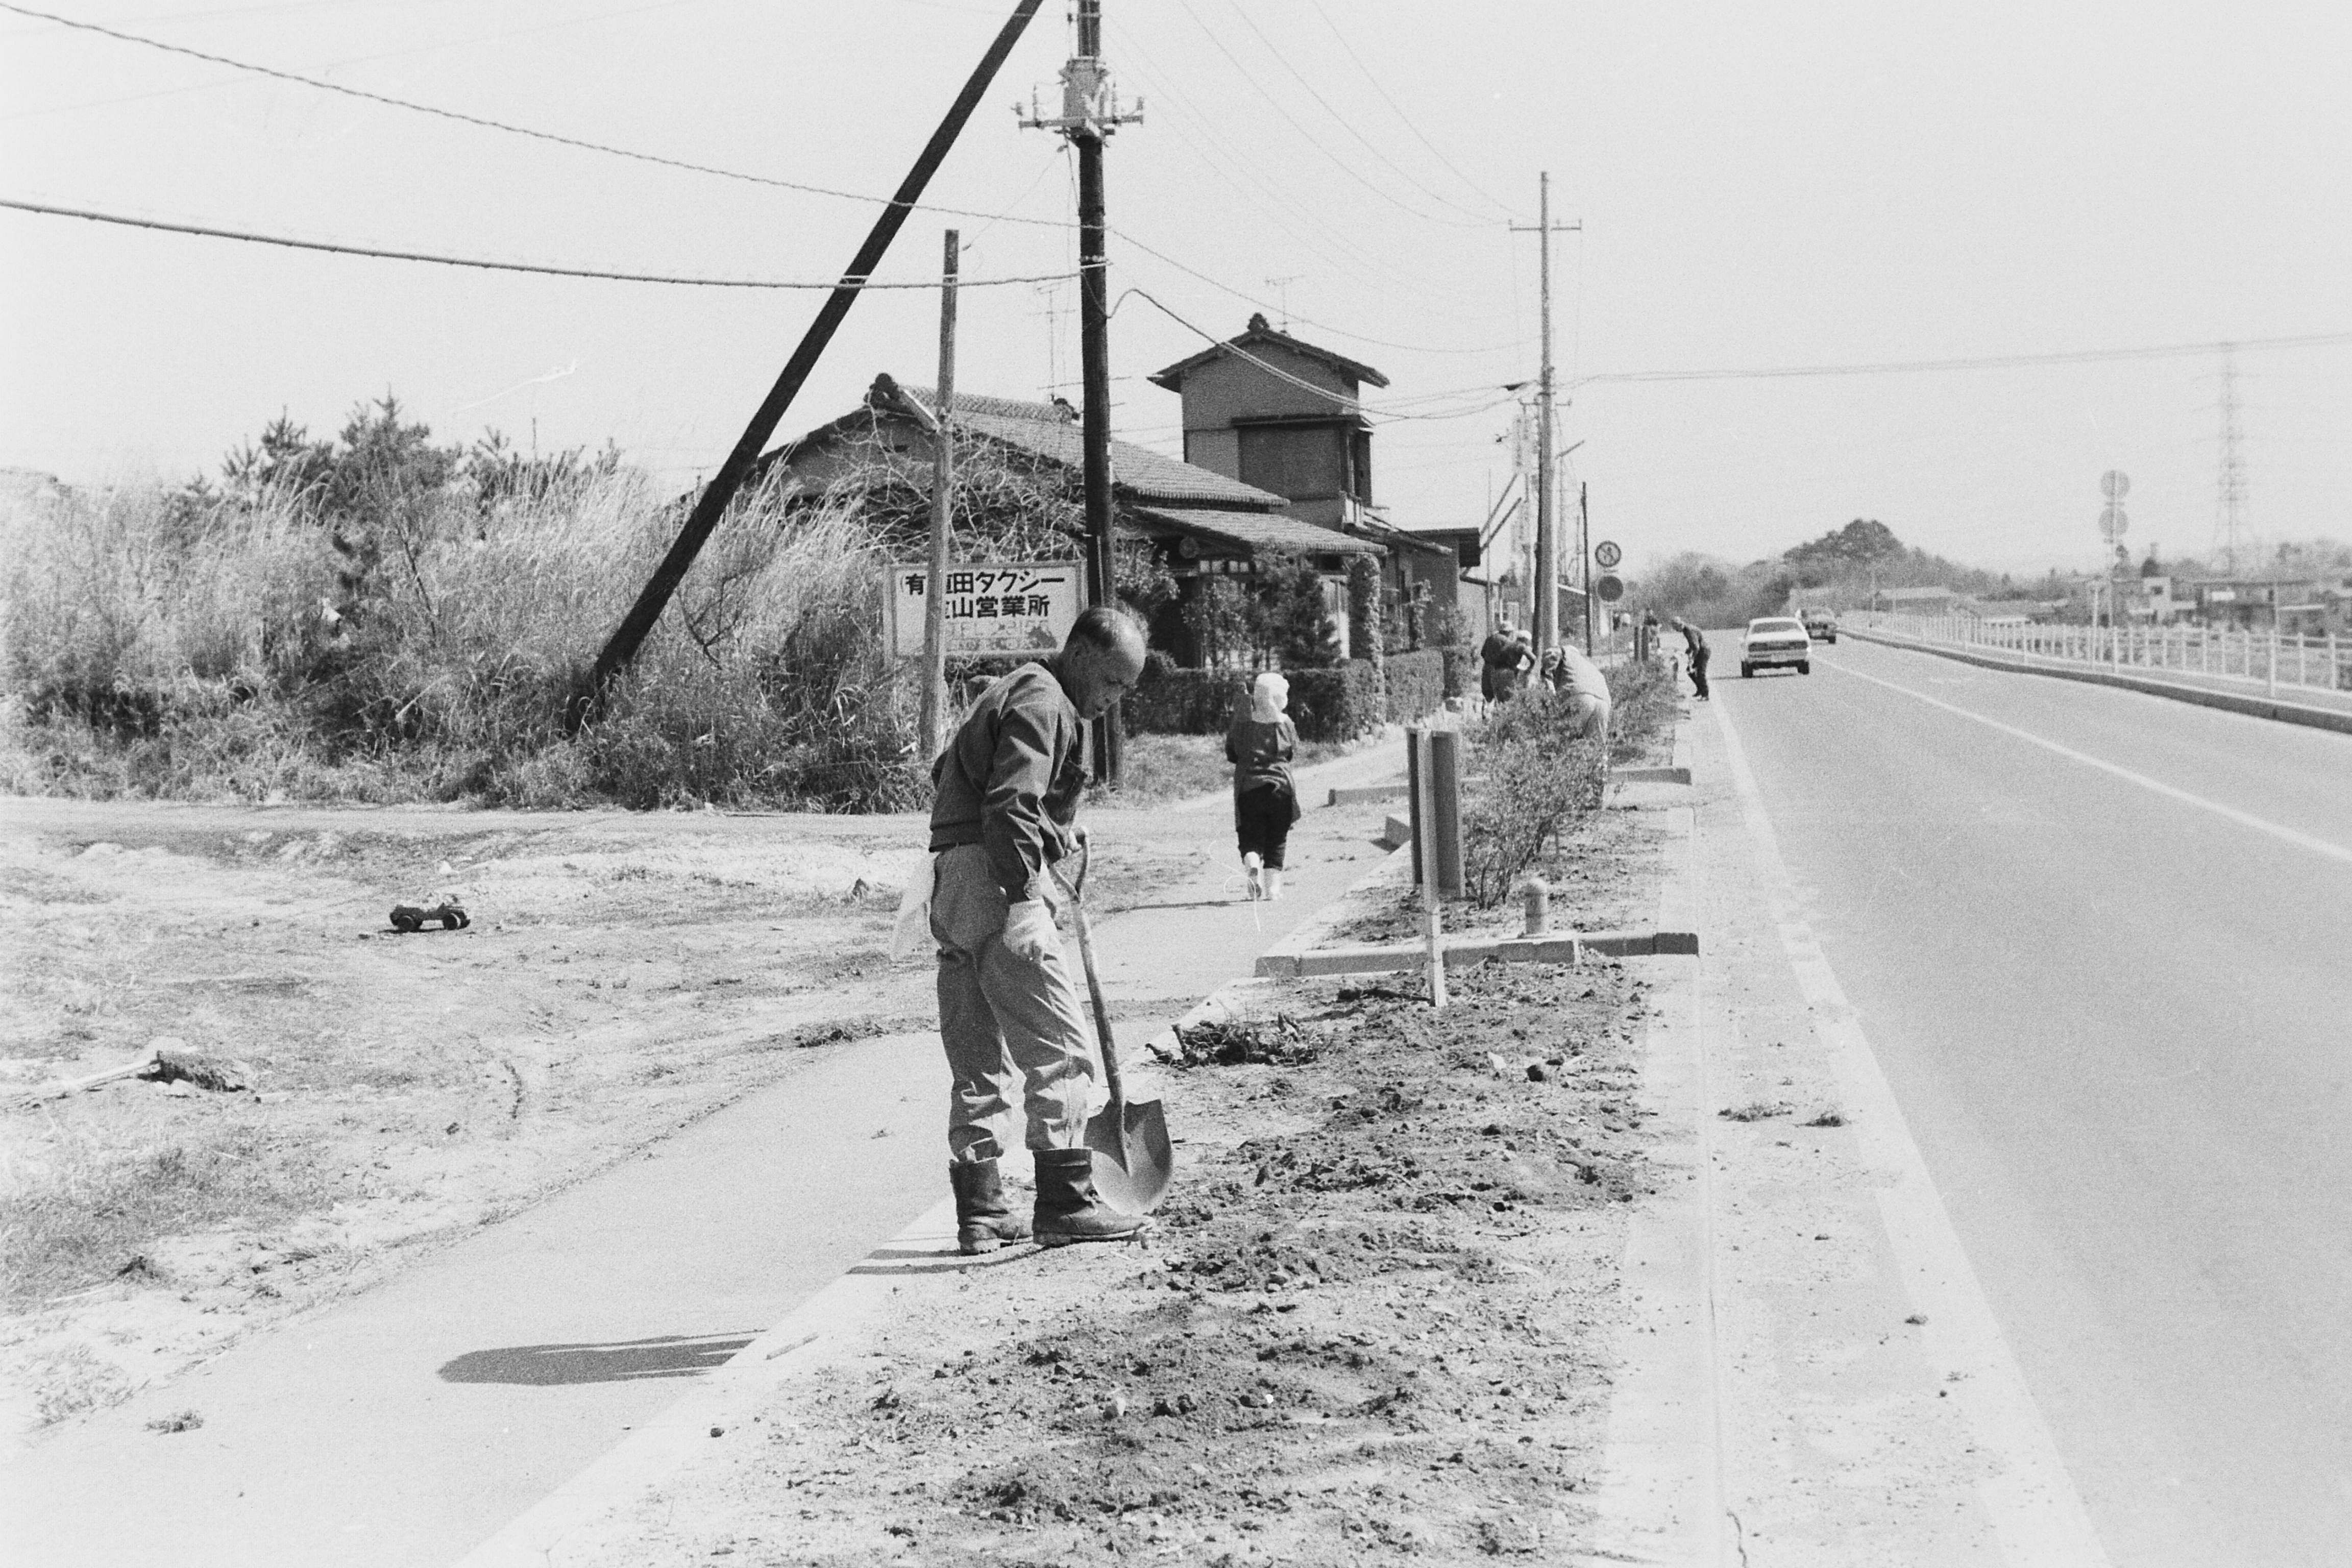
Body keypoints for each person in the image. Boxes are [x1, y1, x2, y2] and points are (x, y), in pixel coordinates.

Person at [926, 606, 1149, 1253]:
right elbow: (1012, 803)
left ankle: (983, 1211)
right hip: (999, 887)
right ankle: (1065, 1200)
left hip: (954, 881)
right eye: (1112, 684)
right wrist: (1025, 896)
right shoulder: (1046, 699)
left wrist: (1054, 833)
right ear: (1080, 656)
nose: (1113, 702)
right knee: (1060, 1046)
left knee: (978, 1058)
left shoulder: (1012, 689)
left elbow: (954, 776)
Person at [1226, 670, 1301, 900]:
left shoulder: (1244, 724)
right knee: (1277, 839)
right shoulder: (1286, 723)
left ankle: (1252, 864)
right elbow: (1292, 751)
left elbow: (1232, 753)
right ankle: (1273, 889)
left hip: (1250, 789)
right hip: (1282, 790)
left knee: (1250, 838)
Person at [1553, 641, 1613, 740]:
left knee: (1564, 741)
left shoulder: (1565, 657)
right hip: (1603, 704)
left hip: (1580, 698)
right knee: (1596, 748)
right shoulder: (1590, 666)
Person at [1479, 625, 1535, 702]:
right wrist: (1529, 670)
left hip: (1494, 671)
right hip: (1507, 673)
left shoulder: (1492, 639)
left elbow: (1482, 653)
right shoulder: (1517, 645)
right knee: (1509, 699)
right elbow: (1533, 658)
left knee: (1494, 697)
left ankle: (1487, 710)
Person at [1672, 618, 1711, 700]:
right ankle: (1700, 690)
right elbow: (1692, 645)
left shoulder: (1689, 630)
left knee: (1701, 673)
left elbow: (1696, 647)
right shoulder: (1686, 630)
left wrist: (1692, 659)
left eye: (1676, 629)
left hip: (1703, 651)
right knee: (1690, 671)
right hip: (1700, 651)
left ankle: (1705, 695)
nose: (1676, 631)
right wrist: (1686, 652)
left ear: (1680, 625)